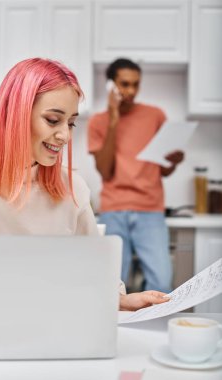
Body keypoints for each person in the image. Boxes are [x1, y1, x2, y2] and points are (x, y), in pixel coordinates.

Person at [0, 57, 170, 311]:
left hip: (52, 326)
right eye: (53, 120)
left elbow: (96, 266)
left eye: (71, 123)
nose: (65, 135)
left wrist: (122, 301)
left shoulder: (73, 187)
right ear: (15, 115)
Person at [87, 58, 184, 293]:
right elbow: (104, 170)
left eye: (136, 84)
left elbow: (163, 169)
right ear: (111, 85)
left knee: (161, 283)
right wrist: (113, 120)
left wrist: (173, 162)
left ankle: (151, 329)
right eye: (124, 84)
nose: (131, 91)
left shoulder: (155, 116)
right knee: (112, 285)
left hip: (150, 209)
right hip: (113, 210)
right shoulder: (98, 122)